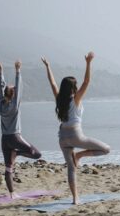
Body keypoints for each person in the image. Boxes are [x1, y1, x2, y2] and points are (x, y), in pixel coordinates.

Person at [41, 52, 110, 204]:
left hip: (62, 137)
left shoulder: (60, 99)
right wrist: (88, 63)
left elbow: (52, 83)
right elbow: (86, 82)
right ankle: (80, 155)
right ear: (73, 88)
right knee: (106, 149)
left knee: (71, 169)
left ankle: (75, 198)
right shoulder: (75, 99)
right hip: (76, 135)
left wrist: (48, 66)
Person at [0, 60, 42, 199]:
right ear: (14, 95)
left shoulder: (1, 104)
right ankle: (18, 154)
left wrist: (1, 72)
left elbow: (1, 88)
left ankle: (12, 194)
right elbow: (19, 87)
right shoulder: (15, 106)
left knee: (8, 167)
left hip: (4, 139)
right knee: (36, 154)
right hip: (15, 137)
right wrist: (18, 71)